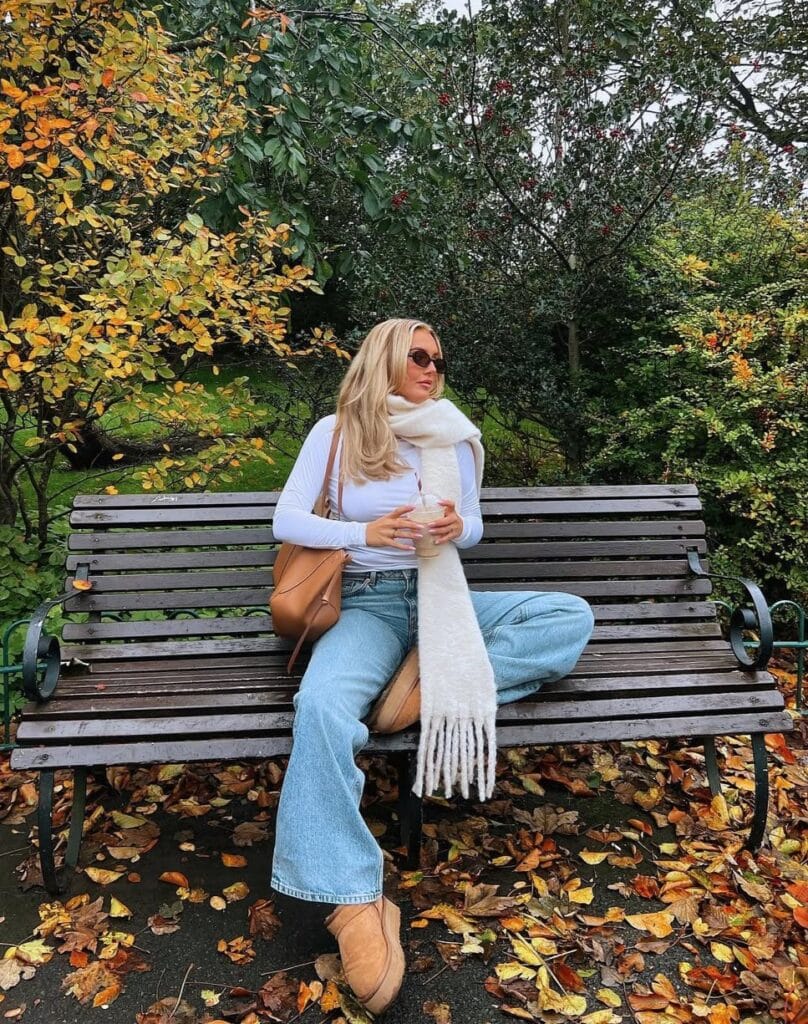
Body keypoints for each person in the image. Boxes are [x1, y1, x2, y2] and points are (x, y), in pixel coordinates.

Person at [269, 318, 594, 1015]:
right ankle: (354, 899)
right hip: (369, 602)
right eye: (418, 356)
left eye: (439, 359)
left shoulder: (452, 433)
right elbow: (286, 519)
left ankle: (430, 679)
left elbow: (471, 524)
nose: (432, 368)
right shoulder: (336, 433)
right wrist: (364, 532)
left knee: (568, 616)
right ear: (384, 359)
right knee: (320, 706)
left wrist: (455, 528)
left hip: (443, 596)